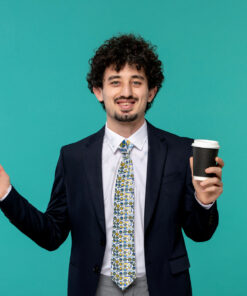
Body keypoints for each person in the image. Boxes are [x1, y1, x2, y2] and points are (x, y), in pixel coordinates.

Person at [0, 34, 224, 296]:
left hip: (163, 286)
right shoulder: (73, 158)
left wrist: (204, 202)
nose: (126, 92)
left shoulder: (181, 152)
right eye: (115, 82)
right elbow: (52, 234)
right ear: (98, 91)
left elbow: (200, 233)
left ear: (151, 91)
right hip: (95, 287)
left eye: (136, 82)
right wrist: (6, 194)